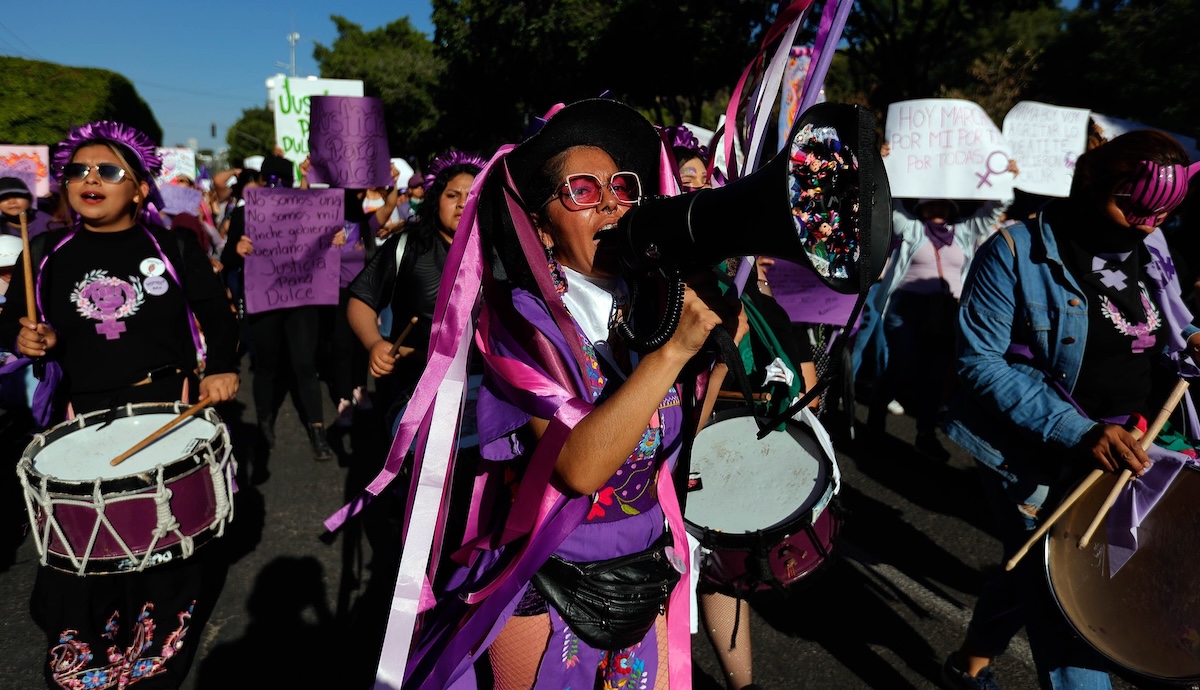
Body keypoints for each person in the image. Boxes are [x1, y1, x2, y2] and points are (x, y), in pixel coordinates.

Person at [398, 98, 747, 690]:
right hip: (549, 583)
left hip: (643, 575)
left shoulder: (655, 308)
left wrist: (711, 356)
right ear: (541, 226)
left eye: (620, 186)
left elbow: (670, 446)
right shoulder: (518, 322)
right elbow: (579, 467)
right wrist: (675, 352)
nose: (609, 201)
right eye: (581, 191)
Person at [940, 130, 1199, 690]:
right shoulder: (1012, 252)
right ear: (1090, 183)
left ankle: (969, 663)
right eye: (1131, 205)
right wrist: (1080, 432)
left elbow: (1172, 321)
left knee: (1042, 573)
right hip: (1037, 456)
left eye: (1163, 212)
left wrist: (1193, 339)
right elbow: (978, 362)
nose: (1146, 222)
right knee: (1076, 619)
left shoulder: (1152, 246)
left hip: (1135, 448)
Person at [0, 120, 239, 689]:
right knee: (90, 550)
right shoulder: (47, 251)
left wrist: (225, 367)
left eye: (108, 171)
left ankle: (153, 651)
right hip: (82, 416)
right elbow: (13, 320)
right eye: (78, 170)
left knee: (161, 544)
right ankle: (91, 651)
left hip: (166, 408)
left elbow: (217, 315)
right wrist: (24, 337)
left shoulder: (172, 246)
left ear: (137, 188)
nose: (90, 179)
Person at [867, 153, 1017, 459]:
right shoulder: (910, 228)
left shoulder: (963, 231)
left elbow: (995, 210)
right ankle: (874, 425)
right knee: (901, 368)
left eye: (942, 202)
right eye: (931, 202)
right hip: (906, 308)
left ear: (950, 206)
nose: (937, 206)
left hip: (947, 310)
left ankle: (925, 435)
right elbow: (886, 202)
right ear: (922, 205)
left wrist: (1006, 178)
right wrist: (886, 163)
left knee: (936, 376)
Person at [346, 150, 487, 431]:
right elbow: (361, 299)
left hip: (481, 388)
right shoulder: (405, 245)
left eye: (471, 195)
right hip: (411, 384)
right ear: (436, 200)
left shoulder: (498, 252)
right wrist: (375, 344)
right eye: (452, 195)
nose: (462, 204)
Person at [220, 156, 335, 462]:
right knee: (267, 365)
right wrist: (238, 249)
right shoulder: (246, 213)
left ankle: (317, 430)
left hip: (302, 300)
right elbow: (228, 259)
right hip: (266, 299)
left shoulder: (308, 209)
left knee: (305, 365)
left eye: (281, 183)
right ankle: (265, 423)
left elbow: (325, 241)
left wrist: (335, 238)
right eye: (270, 182)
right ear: (261, 183)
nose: (276, 188)